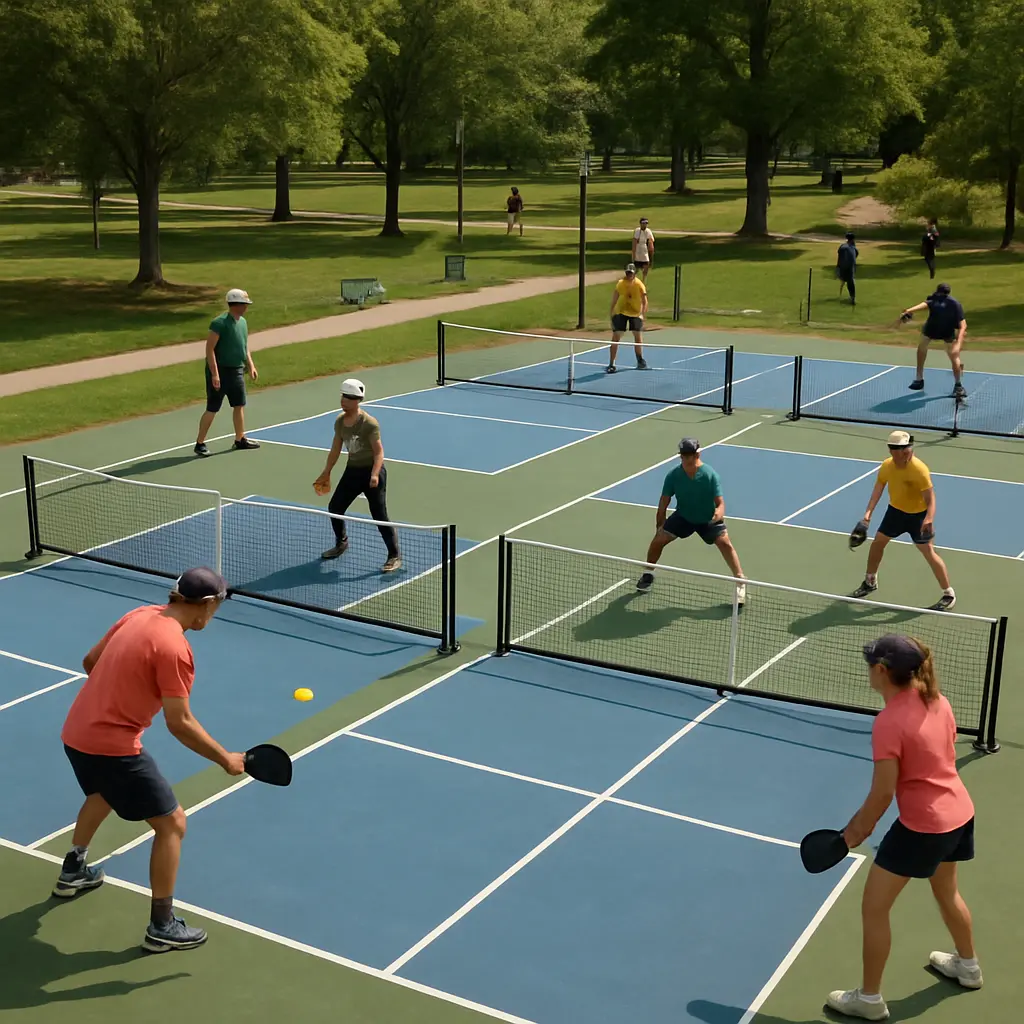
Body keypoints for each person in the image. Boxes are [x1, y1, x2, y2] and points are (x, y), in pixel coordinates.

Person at [53, 568, 245, 953]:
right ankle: (162, 925)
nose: (215, 615)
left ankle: (74, 869)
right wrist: (226, 759)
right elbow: (180, 722)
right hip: (112, 746)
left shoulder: (139, 614)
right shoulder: (176, 648)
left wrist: (123, 698)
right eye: (218, 607)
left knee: (104, 792)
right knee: (172, 824)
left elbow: (91, 662)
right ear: (207, 606)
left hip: (75, 733)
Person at [825, 634, 980, 1020]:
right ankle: (969, 966)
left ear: (881, 671)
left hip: (922, 828)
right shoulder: (938, 701)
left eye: (870, 665)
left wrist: (851, 835)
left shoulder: (889, 723)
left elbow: (882, 794)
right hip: (959, 815)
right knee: (948, 893)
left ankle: (869, 999)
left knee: (874, 908)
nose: (867, 670)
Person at [852, 430, 955, 611]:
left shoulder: (919, 469)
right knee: (877, 544)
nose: (909, 453)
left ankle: (948, 594)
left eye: (909, 449)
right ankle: (870, 582)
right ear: (893, 451)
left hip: (918, 517)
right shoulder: (886, 466)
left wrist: (929, 519)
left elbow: (931, 498)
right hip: (896, 513)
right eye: (904, 450)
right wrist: (868, 514)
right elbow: (878, 489)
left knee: (929, 553)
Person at [635, 438, 746, 603]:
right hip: (684, 516)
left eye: (690, 455)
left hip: (707, 518)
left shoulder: (710, 475)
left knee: (725, 544)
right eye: (684, 456)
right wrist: (660, 524)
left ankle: (740, 583)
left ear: (698, 454)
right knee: (658, 541)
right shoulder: (674, 475)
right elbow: (664, 501)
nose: (687, 459)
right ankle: (648, 573)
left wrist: (718, 514)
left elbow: (720, 503)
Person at [313, 377, 402, 572]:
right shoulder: (340, 422)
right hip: (352, 471)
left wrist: (375, 474)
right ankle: (341, 543)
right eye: (343, 396)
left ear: (357, 400)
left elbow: (379, 452)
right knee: (335, 507)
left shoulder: (369, 423)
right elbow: (335, 449)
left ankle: (394, 555)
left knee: (379, 515)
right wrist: (326, 472)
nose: (344, 400)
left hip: (372, 473)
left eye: (349, 397)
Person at [194, 288, 260, 457]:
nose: (246, 307)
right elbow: (209, 349)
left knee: (239, 405)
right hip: (220, 372)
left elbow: (244, 347)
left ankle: (240, 439)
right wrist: (215, 374)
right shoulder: (219, 323)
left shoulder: (243, 322)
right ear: (235, 304)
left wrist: (250, 365)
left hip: (237, 370)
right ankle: (200, 443)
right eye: (244, 304)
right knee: (213, 408)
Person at [903, 283, 967, 399]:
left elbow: (963, 325)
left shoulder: (951, 303)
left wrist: (908, 310)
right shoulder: (954, 303)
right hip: (937, 330)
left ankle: (919, 379)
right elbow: (925, 304)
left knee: (923, 348)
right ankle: (958, 386)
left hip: (937, 330)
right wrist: (909, 310)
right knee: (953, 356)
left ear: (938, 291)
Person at [606, 263, 648, 374]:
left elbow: (645, 301)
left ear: (634, 273)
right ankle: (612, 363)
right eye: (627, 272)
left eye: (631, 273)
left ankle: (640, 360)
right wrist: (611, 312)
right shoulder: (621, 283)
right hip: (621, 312)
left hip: (635, 313)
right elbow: (615, 298)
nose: (629, 275)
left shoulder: (639, 284)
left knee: (637, 336)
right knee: (616, 337)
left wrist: (642, 314)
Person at [837, 231, 859, 305]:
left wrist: (838, 267)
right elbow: (856, 255)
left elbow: (839, 256)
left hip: (843, 265)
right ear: (853, 239)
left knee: (844, 279)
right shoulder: (853, 247)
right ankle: (852, 298)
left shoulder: (842, 246)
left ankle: (847, 296)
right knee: (850, 282)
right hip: (850, 266)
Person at [632, 217, 655, 281]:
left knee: (646, 265)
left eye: (646, 223)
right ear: (640, 224)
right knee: (636, 267)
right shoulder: (637, 231)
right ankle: (633, 280)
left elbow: (651, 241)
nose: (645, 225)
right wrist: (633, 254)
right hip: (638, 250)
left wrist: (651, 252)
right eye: (643, 223)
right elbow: (634, 242)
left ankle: (643, 281)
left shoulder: (648, 231)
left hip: (644, 250)